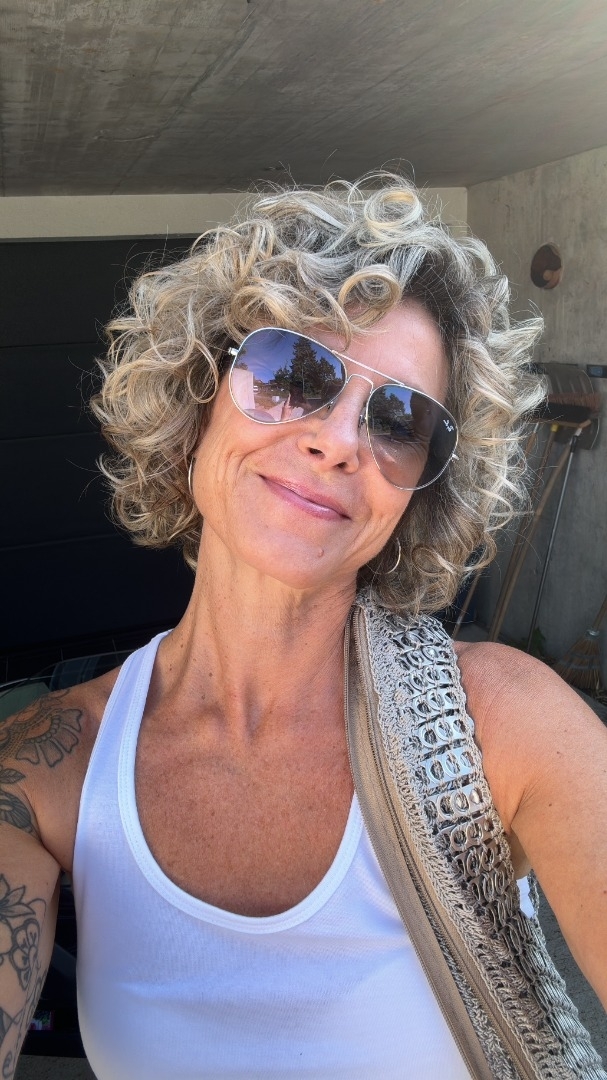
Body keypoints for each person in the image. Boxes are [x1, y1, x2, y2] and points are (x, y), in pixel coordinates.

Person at [0, 174, 605, 1080]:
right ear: (198, 396)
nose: (339, 441)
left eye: (399, 419)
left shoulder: (503, 724)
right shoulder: (50, 766)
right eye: (292, 373)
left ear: (417, 493)